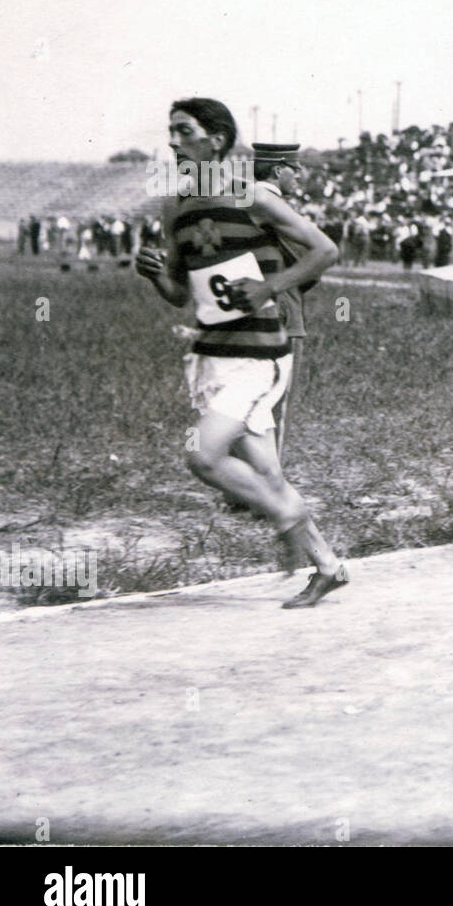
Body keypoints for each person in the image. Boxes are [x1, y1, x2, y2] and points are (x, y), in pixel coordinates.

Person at [135, 98, 346, 607]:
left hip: (259, 354)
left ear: (217, 140)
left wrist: (270, 286)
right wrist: (156, 274)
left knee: (203, 456)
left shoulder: (252, 198)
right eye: (170, 133)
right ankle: (329, 567)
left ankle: (286, 516)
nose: (173, 143)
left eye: (184, 132)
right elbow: (182, 294)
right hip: (212, 354)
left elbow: (325, 251)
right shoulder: (175, 208)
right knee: (268, 473)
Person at [251, 143, 312, 469]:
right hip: (282, 312)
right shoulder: (274, 206)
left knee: (246, 401)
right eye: (294, 168)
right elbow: (310, 258)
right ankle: (266, 483)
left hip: (248, 313)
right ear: (278, 170)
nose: (299, 174)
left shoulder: (242, 199)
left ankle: (240, 486)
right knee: (275, 404)